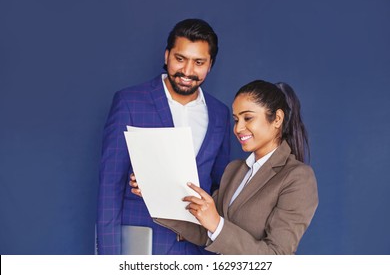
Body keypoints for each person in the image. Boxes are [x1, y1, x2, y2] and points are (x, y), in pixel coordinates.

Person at [134, 80, 318, 254]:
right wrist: (156, 193)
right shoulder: (234, 170)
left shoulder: (297, 177)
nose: (238, 128)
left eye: (248, 118)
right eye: (236, 119)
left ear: (277, 119)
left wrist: (217, 224)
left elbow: (277, 256)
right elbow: (205, 232)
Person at [96, 18, 231, 255]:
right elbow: (110, 186)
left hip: (198, 249)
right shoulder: (129, 102)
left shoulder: (220, 113)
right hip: (144, 245)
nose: (187, 71)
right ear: (167, 55)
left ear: (210, 65)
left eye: (198, 62)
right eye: (180, 59)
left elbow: (222, 187)